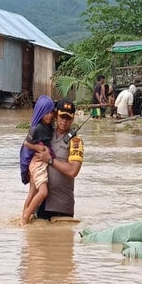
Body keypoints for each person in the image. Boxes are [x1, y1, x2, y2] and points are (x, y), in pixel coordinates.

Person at [35, 99, 84, 220]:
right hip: (41, 203)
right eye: (62, 117)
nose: (64, 121)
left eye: (68, 118)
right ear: (56, 116)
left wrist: (50, 160)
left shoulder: (76, 142)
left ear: (72, 120)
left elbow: (73, 170)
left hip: (61, 207)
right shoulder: (45, 134)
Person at [19, 95, 55, 225]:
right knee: (43, 192)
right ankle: (26, 217)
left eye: (51, 112)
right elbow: (26, 144)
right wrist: (40, 148)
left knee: (32, 191)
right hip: (37, 163)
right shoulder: (37, 128)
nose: (50, 115)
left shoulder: (48, 127)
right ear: (40, 112)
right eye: (46, 112)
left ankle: (23, 215)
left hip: (37, 163)